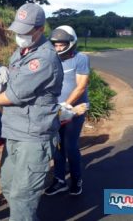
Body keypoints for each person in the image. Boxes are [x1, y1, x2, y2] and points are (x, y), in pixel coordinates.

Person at [0, 3, 64, 220]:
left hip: (33, 137)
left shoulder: (42, 59)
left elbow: (12, 95)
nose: (19, 35)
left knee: (23, 196)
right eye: (18, 30)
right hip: (14, 132)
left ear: (40, 29)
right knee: (7, 183)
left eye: (25, 31)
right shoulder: (21, 52)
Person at [44, 25, 90, 196]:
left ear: (71, 43)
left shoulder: (81, 59)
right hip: (56, 110)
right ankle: (59, 180)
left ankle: (76, 179)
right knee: (57, 146)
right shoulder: (51, 60)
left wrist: (66, 106)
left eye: (62, 44)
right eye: (55, 44)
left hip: (75, 110)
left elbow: (81, 86)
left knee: (70, 146)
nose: (58, 47)